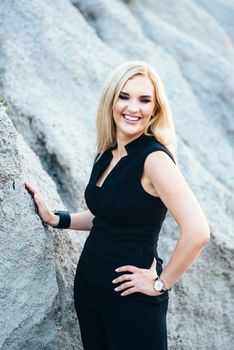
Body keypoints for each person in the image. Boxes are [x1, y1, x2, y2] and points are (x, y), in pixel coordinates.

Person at [24, 60, 210, 350]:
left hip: (131, 300)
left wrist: (160, 283)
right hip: (90, 291)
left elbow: (198, 231)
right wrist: (58, 219)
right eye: (124, 96)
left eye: (144, 100)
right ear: (111, 100)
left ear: (155, 109)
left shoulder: (154, 160)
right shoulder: (108, 153)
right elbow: (107, 215)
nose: (132, 108)